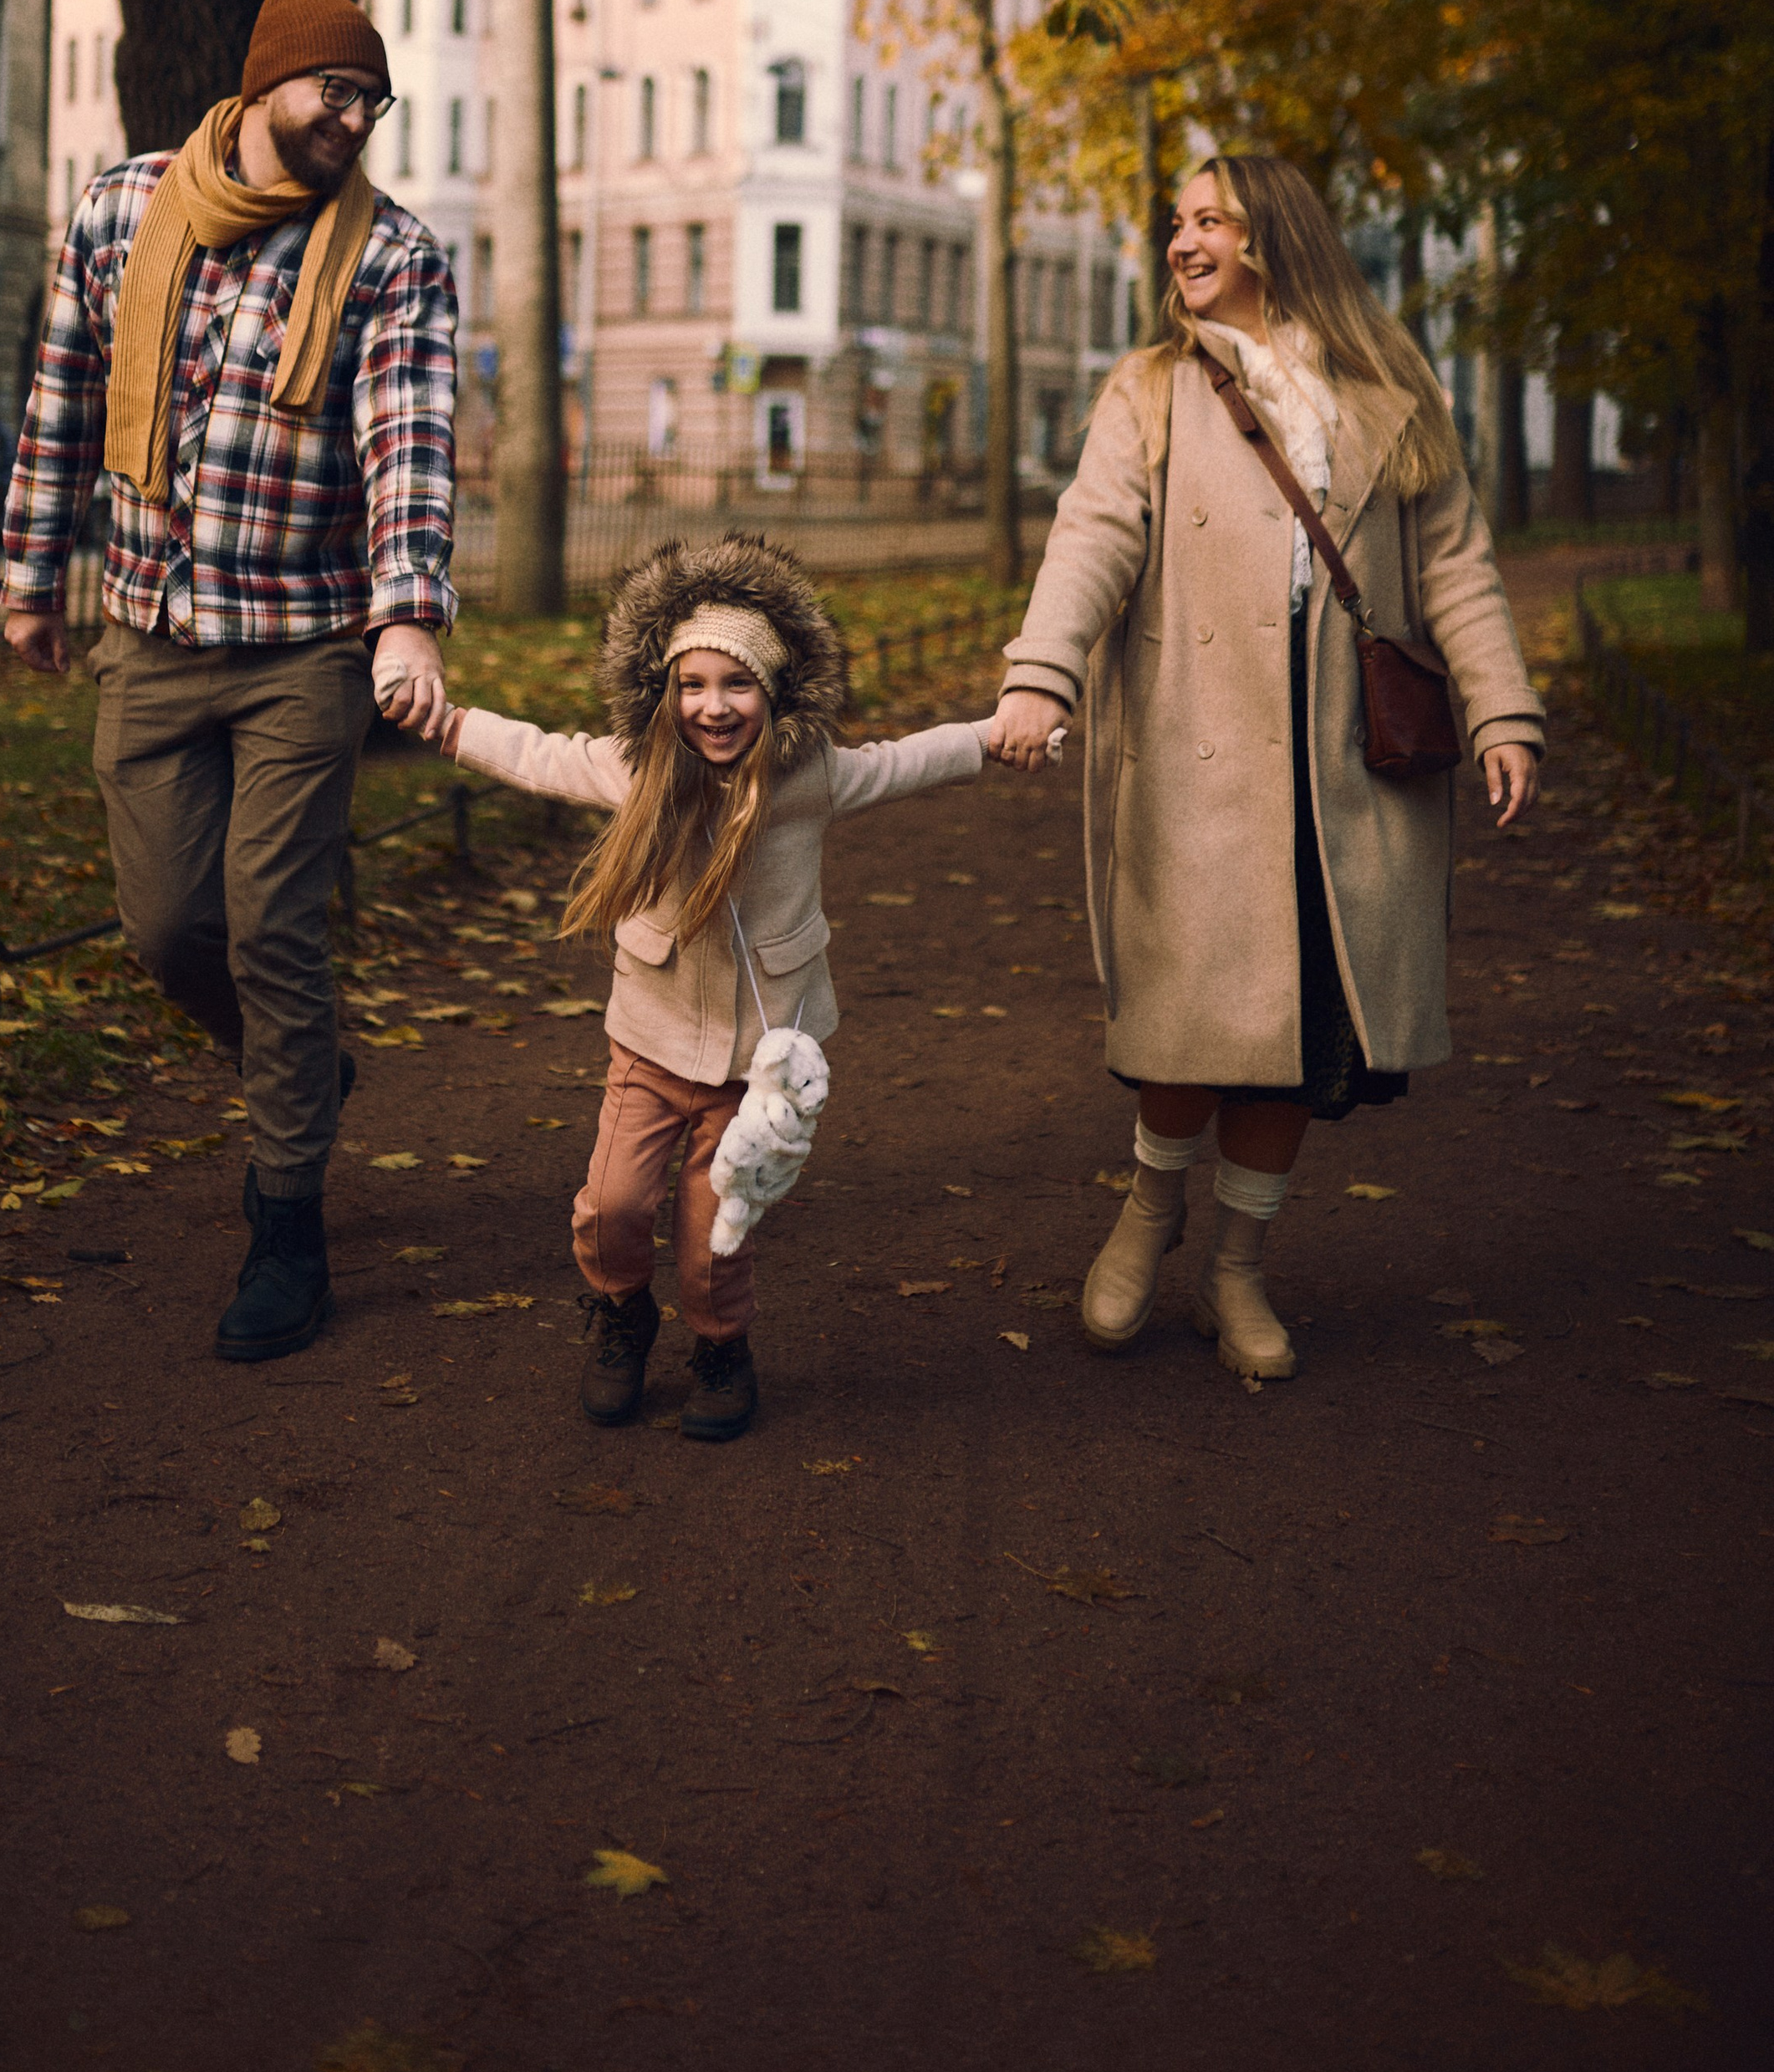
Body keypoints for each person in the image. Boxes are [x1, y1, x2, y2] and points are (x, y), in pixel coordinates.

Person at [988, 155, 1543, 1381]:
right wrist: (1044, 669)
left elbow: (1455, 564)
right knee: (1191, 1029)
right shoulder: (1149, 389)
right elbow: (1092, 535)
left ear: (1273, 238)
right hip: (1203, 751)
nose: (1181, 243)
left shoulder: (1390, 388)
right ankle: (1150, 1211)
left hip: (1353, 765)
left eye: (1207, 223)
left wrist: (1503, 712)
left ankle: (1238, 1269)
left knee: (1303, 1039)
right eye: (1175, 225)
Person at [0, 0, 458, 1364]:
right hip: (150, 631)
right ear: (267, 79)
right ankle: (305, 1068)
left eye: (374, 99)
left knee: (271, 925)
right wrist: (30, 574)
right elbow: (65, 393)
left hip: (303, 647)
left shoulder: (393, 257)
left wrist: (408, 613)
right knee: (165, 930)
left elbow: (409, 445)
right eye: (339, 87)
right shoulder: (123, 208)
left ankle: (286, 1223)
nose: (356, 116)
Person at [439, 537, 997, 1442]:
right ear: (665, 693)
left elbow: (903, 760)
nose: (713, 706)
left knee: (713, 1237)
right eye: (691, 685)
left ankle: (720, 1345)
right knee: (613, 1207)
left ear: (773, 694)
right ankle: (621, 1313)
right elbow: (538, 753)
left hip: (756, 1066)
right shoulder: (638, 774)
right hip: (650, 1042)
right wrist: (444, 723)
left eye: (736, 685)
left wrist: (989, 738)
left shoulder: (805, 779)